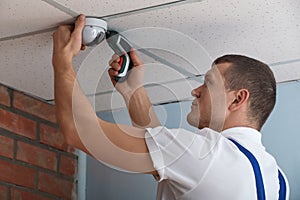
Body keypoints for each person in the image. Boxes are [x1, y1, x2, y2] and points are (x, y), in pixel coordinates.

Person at [52, 15, 289, 199]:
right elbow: (165, 158)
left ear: (237, 100)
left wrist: (62, 60)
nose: (196, 91)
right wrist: (133, 92)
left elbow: (79, 131)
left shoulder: (205, 153)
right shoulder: (277, 181)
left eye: (208, 83)